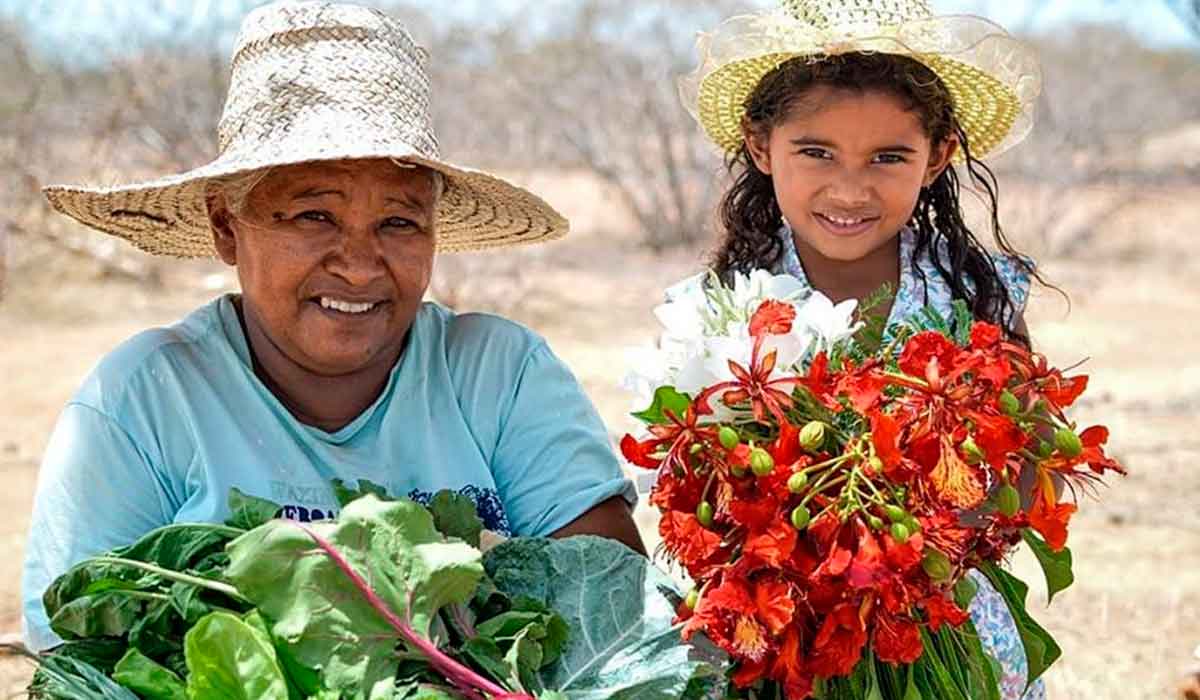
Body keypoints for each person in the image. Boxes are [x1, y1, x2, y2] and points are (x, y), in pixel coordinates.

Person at [22, 0, 641, 653]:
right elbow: (78, 649)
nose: (358, 264)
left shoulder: (500, 375)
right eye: (314, 216)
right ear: (226, 227)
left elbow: (611, 600)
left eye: (398, 223)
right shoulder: (145, 400)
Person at [675, 0, 1046, 697]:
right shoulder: (719, 309)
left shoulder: (976, 292)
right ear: (761, 146)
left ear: (936, 157)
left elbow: (1029, 452)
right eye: (815, 152)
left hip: (948, 623)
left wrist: (925, 553)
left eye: (888, 157)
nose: (849, 188)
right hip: (778, 639)